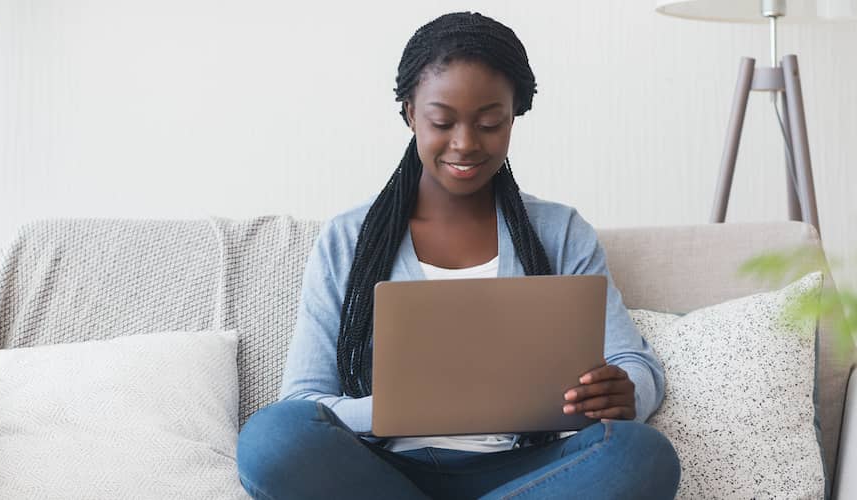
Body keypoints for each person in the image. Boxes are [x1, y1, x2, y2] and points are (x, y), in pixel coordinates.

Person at [236, 12, 681, 500]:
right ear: (410, 113)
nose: (466, 143)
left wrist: (625, 391)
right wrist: (408, 406)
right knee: (271, 438)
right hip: (382, 474)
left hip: (530, 473)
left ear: (513, 117)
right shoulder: (349, 237)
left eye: (490, 122)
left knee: (641, 453)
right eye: (442, 121)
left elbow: (633, 364)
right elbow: (303, 402)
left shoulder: (560, 231)